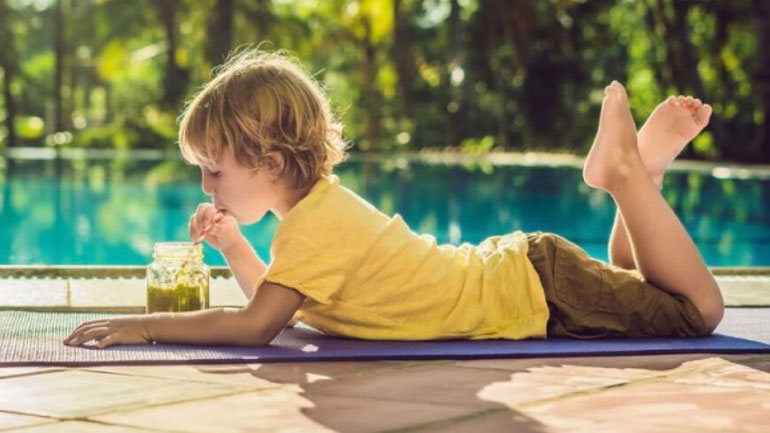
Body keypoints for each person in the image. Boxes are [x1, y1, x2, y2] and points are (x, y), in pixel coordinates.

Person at [64, 49, 724, 349]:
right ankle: (644, 177)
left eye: (213, 169)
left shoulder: (315, 226)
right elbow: (280, 305)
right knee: (643, 284)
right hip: (532, 275)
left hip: (538, 291)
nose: (206, 186)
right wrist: (234, 244)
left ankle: (625, 176)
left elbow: (258, 324)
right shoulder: (314, 215)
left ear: (269, 163)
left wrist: (149, 325)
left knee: (696, 311)